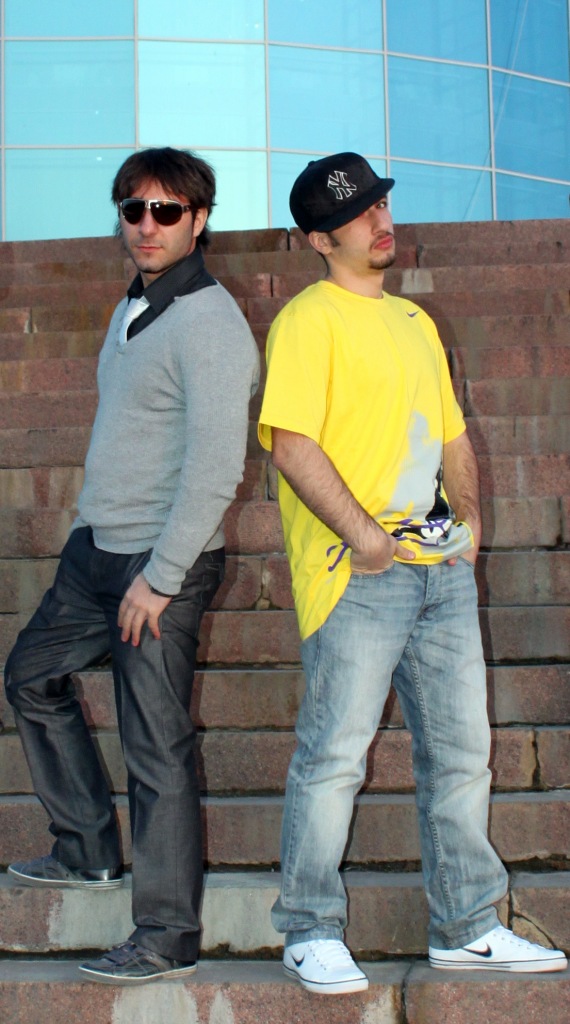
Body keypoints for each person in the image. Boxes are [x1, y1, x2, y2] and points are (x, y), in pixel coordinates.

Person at [258, 152, 567, 994]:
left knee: (464, 756)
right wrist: (365, 539)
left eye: (380, 204)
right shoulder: (308, 321)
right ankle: (309, 928)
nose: (379, 220)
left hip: (441, 572)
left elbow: (452, 434)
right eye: (356, 214)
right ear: (319, 239)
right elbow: (291, 444)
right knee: (334, 758)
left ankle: (467, 925)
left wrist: (472, 523)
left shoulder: (415, 322)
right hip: (357, 574)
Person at [5, 147, 259, 984]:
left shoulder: (211, 324)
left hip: (159, 567)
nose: (147, 225)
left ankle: (166, 934)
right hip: (95, 556)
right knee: (29, 677)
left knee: (156, 749)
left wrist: (162, 576)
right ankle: (86, 848)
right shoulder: (134, 305)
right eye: (133, 209)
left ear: (199, 220)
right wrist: (88, 525)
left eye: (167, 211)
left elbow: (216, 467)